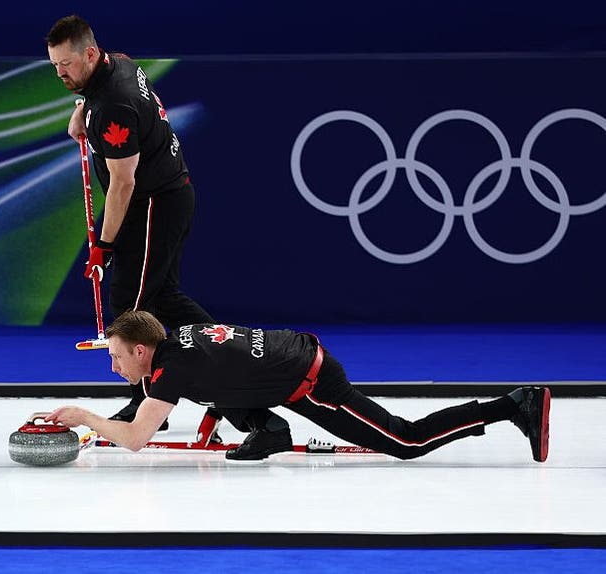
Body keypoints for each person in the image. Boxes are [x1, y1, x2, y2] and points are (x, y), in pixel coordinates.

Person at [46, 15, 290, 442]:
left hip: (153, 203)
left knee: (130, 307)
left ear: (89, 54)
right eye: (54, 66)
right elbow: (101, 100)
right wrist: (82, 111)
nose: (61, 73)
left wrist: (103, 245)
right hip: (168, 196)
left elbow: (123, 184)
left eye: (67, 64)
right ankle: (252, 411)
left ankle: (150, 407)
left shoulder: (115, 105)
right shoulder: (115, 64)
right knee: (165, 302)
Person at [46, 311, 551, 463]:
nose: (111, 367)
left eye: (114, 357)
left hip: (311, 381)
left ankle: (511, 405)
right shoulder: (172, 340)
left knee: (405, 441)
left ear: (140, 351)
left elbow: (137, 438)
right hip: (286, 356)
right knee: (219, 391)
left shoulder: (172, 371)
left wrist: (85, 419)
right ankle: (271, 430)